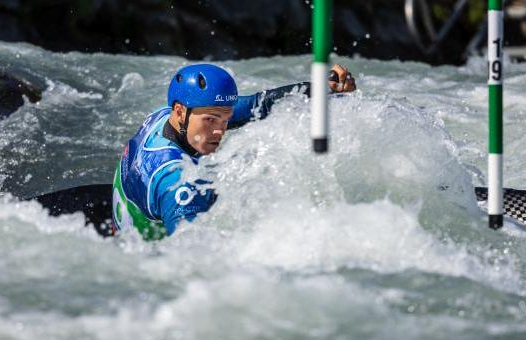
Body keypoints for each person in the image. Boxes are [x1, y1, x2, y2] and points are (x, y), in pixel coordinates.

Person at [112, 63, 356, 239]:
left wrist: (320, 89)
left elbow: (257, 105)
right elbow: (190, 260)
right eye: (210, 120)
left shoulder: (163, 116)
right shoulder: (176, 181)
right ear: (179, 112)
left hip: (120, 217)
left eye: (225, 119)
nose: (219, 131)